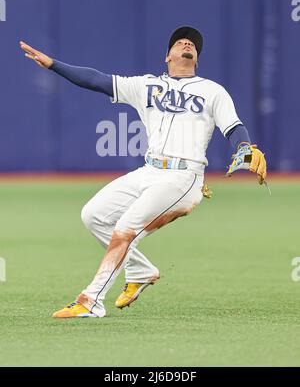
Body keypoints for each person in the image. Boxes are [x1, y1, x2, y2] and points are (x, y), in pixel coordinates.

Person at [19, 26, 267, 318]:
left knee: (126, 228)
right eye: (180, 41)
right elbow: (97, 80)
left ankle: (90, 301)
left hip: (183, 178)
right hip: (150, 171)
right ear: (167, 57)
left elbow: (234, 127)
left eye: (193, 44)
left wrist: (244, 147)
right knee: (93, 215)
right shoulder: (146, 85)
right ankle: (140, 270)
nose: (187, 43)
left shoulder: (213, 91)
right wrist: (54, 65)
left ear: (196, 60)